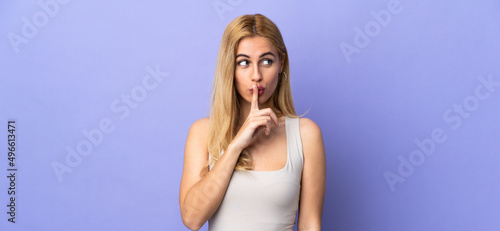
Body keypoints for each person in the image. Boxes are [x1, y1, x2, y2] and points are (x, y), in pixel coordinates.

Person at [179, 14, 326, 231]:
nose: (256, 75)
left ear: (281, 64)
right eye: (244, 63)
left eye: (266, 61)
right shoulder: (202, 132)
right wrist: (237, 145)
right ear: (230, 68)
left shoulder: (306, 135)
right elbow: (192, 219)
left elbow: (310, 224)